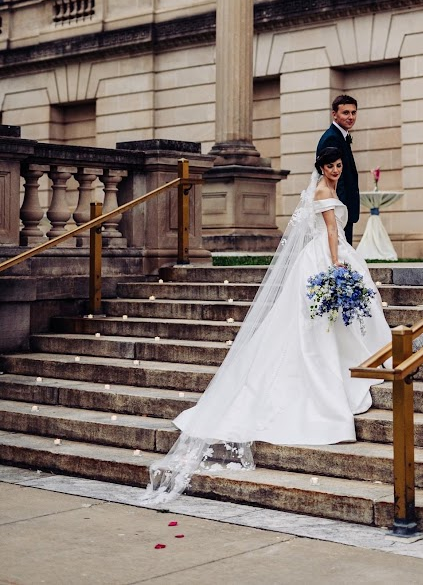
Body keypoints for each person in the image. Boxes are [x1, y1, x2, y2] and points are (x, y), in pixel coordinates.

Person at [143, 146, 390, 506]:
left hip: (319, 256)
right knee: (319, 322)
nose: (336, 171)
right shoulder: (323, 192)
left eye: (339, 166)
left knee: (326, 321)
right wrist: (337, 265)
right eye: (331, 166)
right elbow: (332, 232)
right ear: (321, 167)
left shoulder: (324, 189)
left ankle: (349, 360)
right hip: (327, 257)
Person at [316, 95, 359, 244]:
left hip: (343, 208)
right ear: (334, 114)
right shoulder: (332, 138)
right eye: (345, 112)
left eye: (353, 112)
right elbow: (334, 176)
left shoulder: (342, 136)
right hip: (338, 208)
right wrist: (339, 208)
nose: (351, 117)